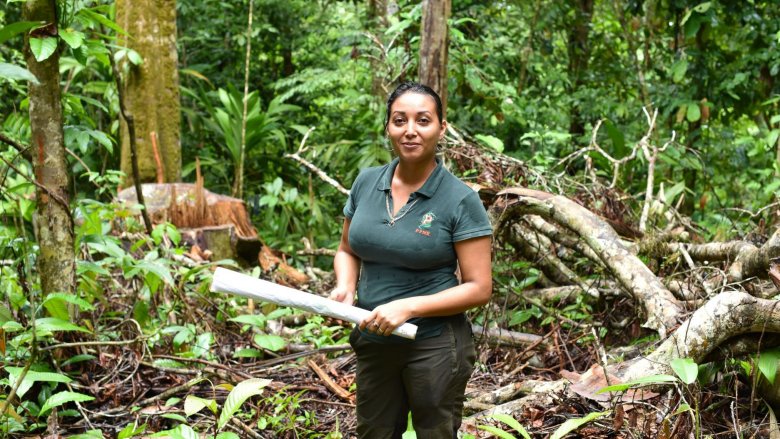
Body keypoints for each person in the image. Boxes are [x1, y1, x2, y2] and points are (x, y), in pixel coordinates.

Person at [329, 81, 493, 438]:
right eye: (400, 120)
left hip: (434, 344)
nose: (410, 131)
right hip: (374, 339)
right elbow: (347, 249)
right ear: (388, 126)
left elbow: (479, 288)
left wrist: (407, 307)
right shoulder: (366, 182)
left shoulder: (460, 199)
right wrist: (345, 286)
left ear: (441, 128)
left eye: (423, 120)